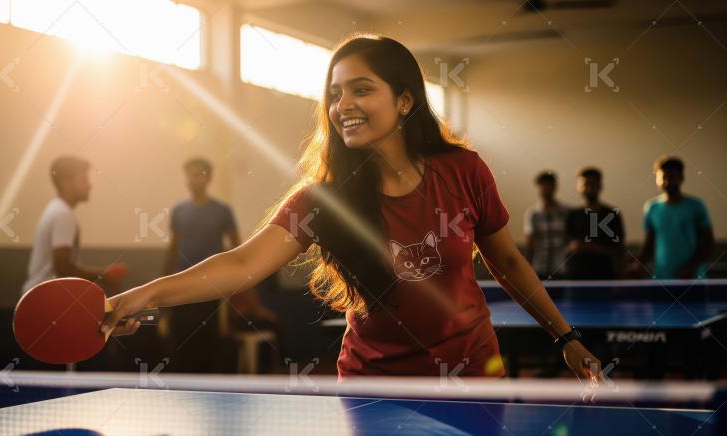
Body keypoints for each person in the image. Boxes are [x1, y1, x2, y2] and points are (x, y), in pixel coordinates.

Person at [102, 35, 600, 383]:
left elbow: (507, 262)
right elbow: (241, 264)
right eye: (336, 94)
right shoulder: (323, 200)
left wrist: (565, 337)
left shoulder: (463, 171)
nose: (343, 105)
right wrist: (138, 297)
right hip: (373, 384)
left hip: (472, 375)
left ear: (405, 101)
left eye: (362, 89)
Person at [163, 158, 276, 371]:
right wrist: (163, 281)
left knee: (208, 346)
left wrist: (253, 300)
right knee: (181, 347)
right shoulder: (178, 211)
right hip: (181, 285)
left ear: (208, 178)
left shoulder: (222, 211)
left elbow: (240, 252)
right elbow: (173, 249)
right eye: (189, 174)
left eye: (198, 174)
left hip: (211, 288)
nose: (193, 179)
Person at [22, 156, 122, 295]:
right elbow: (63, 267)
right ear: (67, 183)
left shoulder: (55, 209)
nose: (90, 186)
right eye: (83, 180)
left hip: (39, 297)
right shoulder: (63, 214)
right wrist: (104, 275)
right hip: (44, 299)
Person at [630, 156, 713, 279]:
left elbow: (708, 243)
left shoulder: (696, 206)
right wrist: (638, 264)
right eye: (663, 177)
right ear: (657, 179)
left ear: (681, 178)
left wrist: (690, 268)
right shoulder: (652, 207)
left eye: (672, 177)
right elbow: (649, 242)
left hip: (693, 279)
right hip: (662, 278)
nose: (667, 181)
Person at [565, 167, 625, 280]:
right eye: (585, 184)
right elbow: (571, 246)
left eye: (592, 184)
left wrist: (622, 278)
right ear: (578, 187)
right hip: (577, 278)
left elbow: (619, 249)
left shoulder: (612, 214)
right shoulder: (572, 215)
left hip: (606, 277)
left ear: (600, 186)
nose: (588, 188)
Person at [524, 171, 568, 280]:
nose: (546, 188)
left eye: (549, 184)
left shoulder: (566, 212)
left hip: (562, 270)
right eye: (543, 185)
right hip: (539, 270)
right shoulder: (532, 214)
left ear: (555, 186)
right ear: (538, 188)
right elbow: (530, 244)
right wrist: (527, 270)